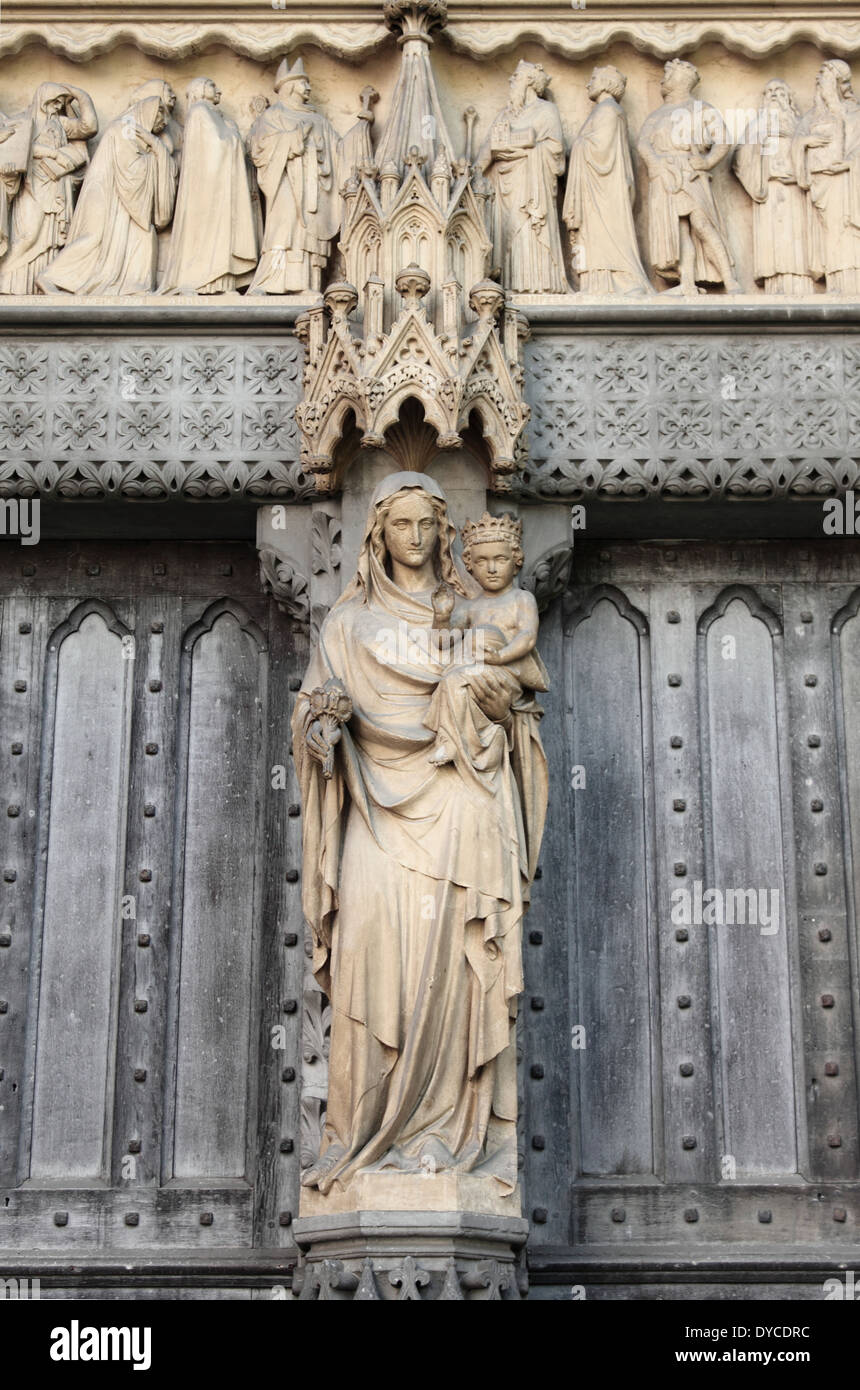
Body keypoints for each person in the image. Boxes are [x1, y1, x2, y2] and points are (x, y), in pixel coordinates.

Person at [292, 472, 548, 1195]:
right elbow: (312, 709)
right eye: (401, 525)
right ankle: (369, 1142)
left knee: (455, 974)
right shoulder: (346, 626)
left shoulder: (469, 618)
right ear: (378, 533)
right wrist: (321, 725)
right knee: (374, 959)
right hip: (374, 808)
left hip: (459, 802)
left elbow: (514, 704)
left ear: (443, 533)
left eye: (427, 525)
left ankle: (445, 1135)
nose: (415, 538)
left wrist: (491, 699)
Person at [425, 511, 549, 787]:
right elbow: (444, 641)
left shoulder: (521, 599)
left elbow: (528, 637)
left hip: (506, 675)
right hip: (475, 672)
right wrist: (442, 616)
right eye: (482, 561)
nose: (491, 568)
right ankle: (456, 740)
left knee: (470, 661)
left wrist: (500, 656)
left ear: (516, 561)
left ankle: (467, 741)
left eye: (500, 559)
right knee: (451, 683)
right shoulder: (471, 607)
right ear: (469, 565)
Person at [38, 84, 176, 296]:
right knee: (93, 239)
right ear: (148, 113)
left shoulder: (135, 132)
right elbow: (130, 168)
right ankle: (48, 277)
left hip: (126, 203)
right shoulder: (124, 127)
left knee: (144, 236)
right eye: (157, 122)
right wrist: (156, 150)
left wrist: (156, 147)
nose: (159, 127)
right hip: (107, 196)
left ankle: (135, 286)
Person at [638, 58, 740, 294]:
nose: (663, 80)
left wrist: (706, 162)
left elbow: (722, 141)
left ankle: (729, 278)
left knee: (702, 224)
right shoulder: (658, 114)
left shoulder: (701, 108)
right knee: (679, 229)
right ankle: (687, 282)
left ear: (679, 80)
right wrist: (657, 164)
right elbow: (643, 143)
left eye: (668, 75)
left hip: (690, 173)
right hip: (665, 175)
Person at [247, 57, 339, 294]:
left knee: (308, 234)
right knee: (284, 229)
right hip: (285, 183)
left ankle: (305, 284)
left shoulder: (318, 120)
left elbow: (340, 148)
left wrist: (363, 129)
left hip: (313, 187)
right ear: (289, 86)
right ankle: (274, 282)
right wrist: (294, 138)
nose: (308, 88)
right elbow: (259, 148)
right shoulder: (274, 115)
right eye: (303, 83)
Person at [159, 77, 257, 295]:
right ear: (201, 90)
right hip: (209, 189)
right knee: (211, 233)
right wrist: (233, 136)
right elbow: (217, 145)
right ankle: (203, 281)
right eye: (213, 85)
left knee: (222, 233)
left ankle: (221, 283)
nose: (218, 90)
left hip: (219, 186)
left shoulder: (211, 114)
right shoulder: (200, 111)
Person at [478, 59, 568, 293]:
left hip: (532, 184)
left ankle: (538, 285)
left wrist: (521, 152)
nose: (511, 80)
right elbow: (488, 147)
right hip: (504, 186)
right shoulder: (505, 115)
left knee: (528, 229)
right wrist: (472, 172)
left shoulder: (547, 111)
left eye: (516, 76)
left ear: (529, 80)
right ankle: (509, 285)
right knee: (507, 233)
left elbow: (556, 151)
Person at [0, 83, 97, 295]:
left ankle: (39, 282)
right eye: (53, 102)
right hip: (32, 186)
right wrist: (52, 153)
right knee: (28, 235)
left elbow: (88, 127)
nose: (57, 106)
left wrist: (80, 94)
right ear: (43, 100)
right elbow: (19, 146)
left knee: (50, 240)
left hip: (55, 186)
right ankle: (5, 277)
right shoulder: (24, 121)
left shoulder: (60, 124)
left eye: (60, 103)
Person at [563, 64, 651, 296]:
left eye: (593, 78)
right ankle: (597, 283)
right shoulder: (605, 111)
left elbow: (600, 149)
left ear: (606, 83)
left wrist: (576, 146)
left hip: (604, 188)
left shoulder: (608, 110)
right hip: (597, 187)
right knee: (595, 235)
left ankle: (618, 282)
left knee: (605, 233)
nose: (588, 83)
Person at [734, 79, 813, 294]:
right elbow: (739, 160)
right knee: (775, 244)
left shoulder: (801, 125)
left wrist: (800, 175)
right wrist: (760, 142)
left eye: (779, 91)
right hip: (769, 192)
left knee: (798, 243)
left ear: (788, 98)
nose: (773, 95)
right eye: (768, 92)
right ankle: (775, 288)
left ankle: (801, 286)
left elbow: (817, 157)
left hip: (796, 192)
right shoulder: (757, 126)